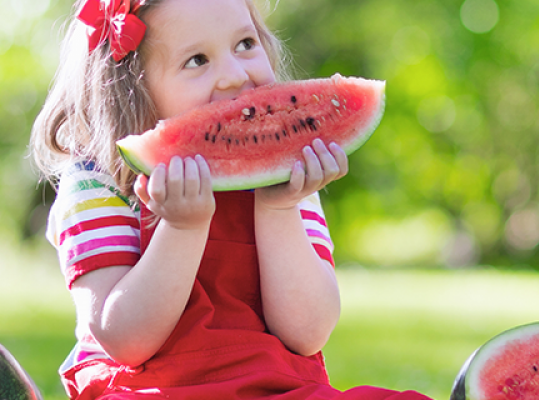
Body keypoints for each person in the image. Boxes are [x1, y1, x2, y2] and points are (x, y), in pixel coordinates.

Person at [31, 0, 434, 399]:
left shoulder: (283, 173)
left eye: (245, 43)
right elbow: (126, 340)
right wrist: (181, 227)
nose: (234, 76)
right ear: (129, 92)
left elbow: (308, 332)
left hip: (279, 385)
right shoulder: (99, 183)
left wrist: (280, 208)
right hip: (150, 389)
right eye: (197, 60)